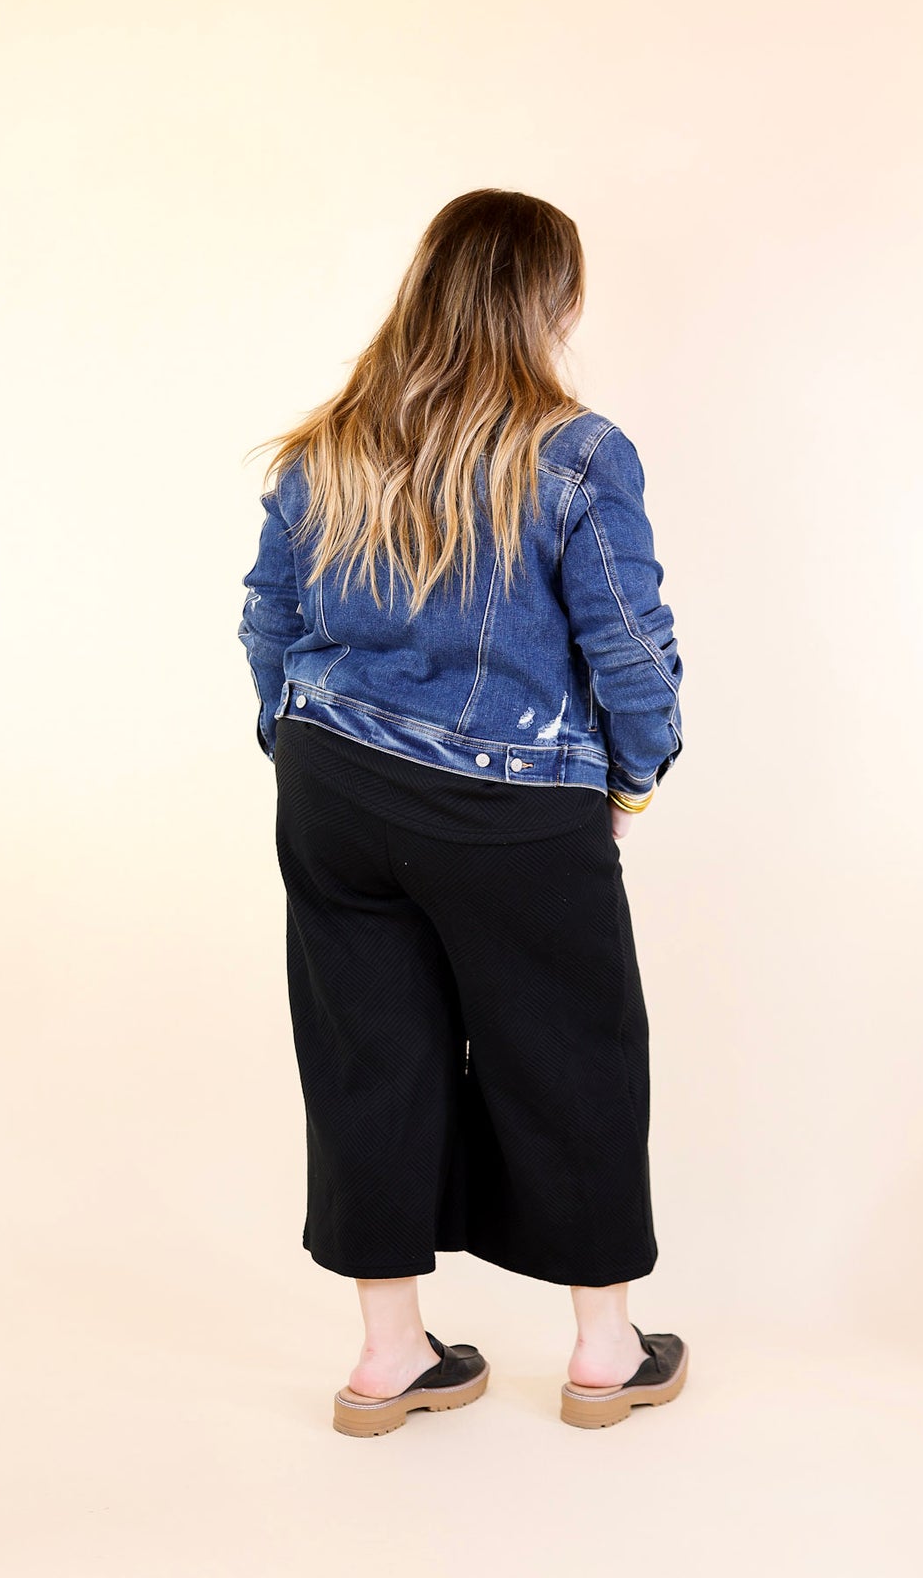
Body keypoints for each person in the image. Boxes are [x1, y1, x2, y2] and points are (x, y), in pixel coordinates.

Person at [237, 188, 689, 1435]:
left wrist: (298, 745)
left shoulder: (327, 444)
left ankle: (390, 1357)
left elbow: (268, 619)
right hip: (510, 802)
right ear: (553, 300)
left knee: (368, 1050)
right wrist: (631, 778)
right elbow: (629, 648)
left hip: (333, 785)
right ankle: (604, 1352)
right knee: (572, 1049)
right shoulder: (578, 454)